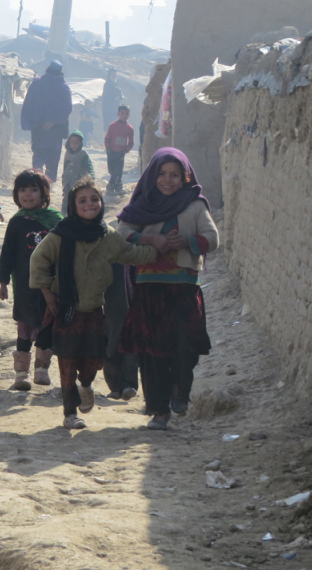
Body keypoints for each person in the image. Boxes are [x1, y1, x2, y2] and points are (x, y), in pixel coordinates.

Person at [29, 177, 157, 430]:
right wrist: (48, 294)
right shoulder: (60, 236)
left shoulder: (108, 237)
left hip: (94, 312)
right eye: (83, 200)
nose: (90, 204)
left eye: (95, 199)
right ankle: (69, 413)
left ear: (102, 202)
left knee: (92, 361)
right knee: (67, 362)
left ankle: (86, 385)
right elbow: (38, 260)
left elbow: (131, 254)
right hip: (65, 309)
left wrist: (159, 248)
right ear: (72, 205)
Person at [117, 147, 219, 430]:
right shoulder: (144, 203)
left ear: (185, 177)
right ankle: (159, 411)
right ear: (152, 175)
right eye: (162, 174)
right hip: (149, 289)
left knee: (187, 345)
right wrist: (151, 239)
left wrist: (187, 241)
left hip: (184, 288)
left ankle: (179, 391)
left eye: (175, 175)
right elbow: (121, 232)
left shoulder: (196, 205)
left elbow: (213, 238)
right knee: (152, 351)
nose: (167, 180)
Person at [0, 170, 63, 390]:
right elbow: (7, 253)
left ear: (44, 193)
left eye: (34, 189)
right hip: (24, 285)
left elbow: (65, 250)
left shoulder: (54, 221)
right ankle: (21, 373)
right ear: (16, 195)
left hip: (49, 284)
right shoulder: (16, 223)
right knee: (24, 327)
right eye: (22, 190)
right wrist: (3, 281)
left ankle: (42, 369)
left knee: (47, 324)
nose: (28, 195)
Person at [20, 60, 73, 182]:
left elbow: (28, 104)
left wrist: (29, 122)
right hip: (56, 131)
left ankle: (37, 178)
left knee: (38, 155)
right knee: (53, 160)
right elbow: (67, 109)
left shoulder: (37, 84)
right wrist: (53, 121)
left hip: (39, 128)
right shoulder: (64, 88)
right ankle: (48, 184)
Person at [103, 261, 140, 401]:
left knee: (132, 336)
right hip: (112, 283)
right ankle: (115, 385)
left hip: (135, 282)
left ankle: (128, 384)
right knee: (112, 334)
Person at [61, 130, 94, 215]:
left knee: (78, 198)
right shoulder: (67, 153)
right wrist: (64, 178)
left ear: (80, 143)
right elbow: (65, 166)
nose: (74, 144)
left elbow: (89, 166)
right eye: (72, 142)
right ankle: (63, 216)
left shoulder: (83, 154)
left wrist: (91, 178)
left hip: (79, 180)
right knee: (66, 198)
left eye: (76, 142)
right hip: (68, 181)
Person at [104, 105, 135, 196]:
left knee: (119, 170)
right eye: (122, 113)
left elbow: (131, 141)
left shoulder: (130, 128)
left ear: (129, 115)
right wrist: (108, 148)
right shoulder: (113, 126)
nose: (124, 115)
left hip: (121, 152)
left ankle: (114, 186)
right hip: (111, 151)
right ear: (118, 114)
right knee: (112, 169)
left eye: (126, 114)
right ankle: (115, 185)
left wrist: (126, 150)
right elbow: (108, 137)